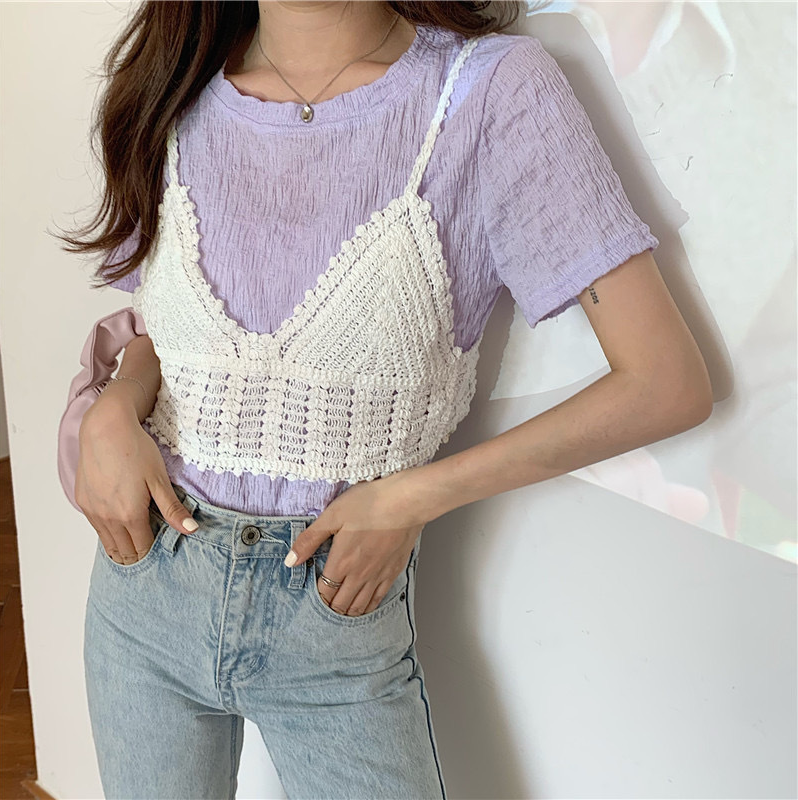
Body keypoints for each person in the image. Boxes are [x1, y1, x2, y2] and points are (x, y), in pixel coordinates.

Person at [59, 1, 713, 798]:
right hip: (144, 585)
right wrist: (115, 407)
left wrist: (411, 497)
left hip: (333, 611)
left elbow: (665, 384)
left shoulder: (486, 94)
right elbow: (165, 331)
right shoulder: (173, 84)